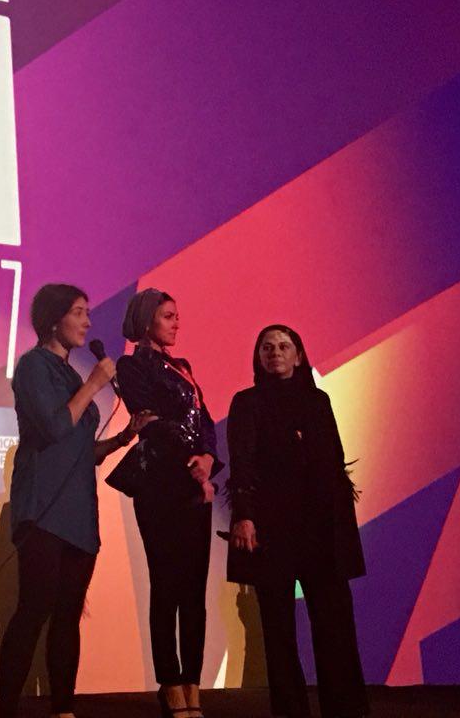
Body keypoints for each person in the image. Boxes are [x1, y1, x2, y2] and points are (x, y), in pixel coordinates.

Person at [0, 284, 157, 718]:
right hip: (42, 509)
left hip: (79, 512)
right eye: (79, 312)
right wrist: (94, 383)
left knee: (68, 615)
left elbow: (82, 449)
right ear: (54, 320)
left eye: (88, 312)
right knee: (35, 609)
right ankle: (7, 707)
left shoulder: (71, 375)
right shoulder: (33, 366)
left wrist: (124, 438)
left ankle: (63, 708)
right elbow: (54, 427)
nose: (88, 321)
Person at [226, 325, 367, 718]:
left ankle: (345, 708)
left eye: (284, 346)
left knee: (334, 623)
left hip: (319, 526)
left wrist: (339, 523)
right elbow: (242, 463)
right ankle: (291, 711)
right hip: (271, 527)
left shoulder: (318, 401)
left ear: (299, 355)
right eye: (267, 347)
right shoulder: (247, 403)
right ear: (258, 357)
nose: (275, 352)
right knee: (278, 629)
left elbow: (334, 461)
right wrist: (245, 515)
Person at [115, 289, 221, 718]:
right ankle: (170, 682)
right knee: (167, 586)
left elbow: (204, 419)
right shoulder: (132, 366)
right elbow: (152, 422)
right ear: (146, 321)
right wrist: (190, 461)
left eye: (177, 316)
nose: (177, 323)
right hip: (160, 485)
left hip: (195, 484)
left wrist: (208, 457)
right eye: (168, 316)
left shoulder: (184, 367)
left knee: (194, 589)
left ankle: (193, 681)